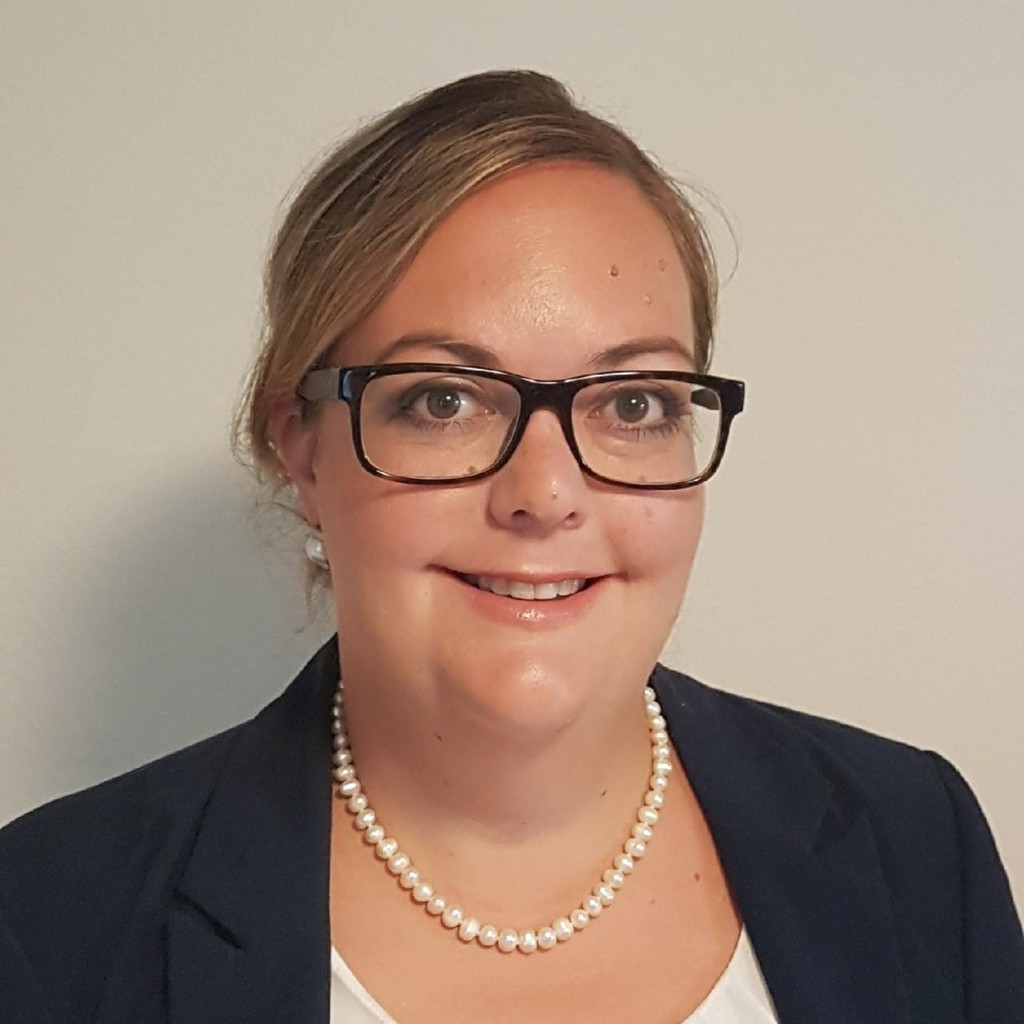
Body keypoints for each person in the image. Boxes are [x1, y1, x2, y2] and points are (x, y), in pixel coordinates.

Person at [0, 69, 1021, 1024]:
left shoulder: (915, 838)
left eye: (633, 403)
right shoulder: (48, 921)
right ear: (302, 452)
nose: (545, 494)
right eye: (443, 400)